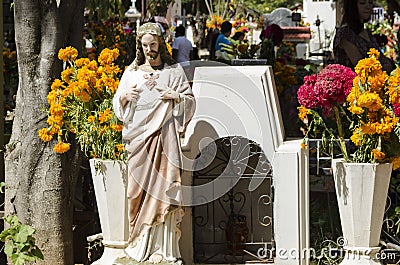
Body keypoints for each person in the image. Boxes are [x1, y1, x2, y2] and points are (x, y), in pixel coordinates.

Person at [112, 22, 196, 263]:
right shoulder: (132, 72)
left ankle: (165, 249)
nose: (149, 49)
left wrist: (177, 96)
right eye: (145, 45)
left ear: (161, 43)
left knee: (165, 188)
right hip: (138, 141)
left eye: (153, 44)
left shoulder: (173, 71)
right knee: (136, 192)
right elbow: (118, 105)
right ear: (140, 46)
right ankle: (139, 243)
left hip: (165, 138)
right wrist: (125, 98)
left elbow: (190, 101)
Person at [333, 0, 395, 73]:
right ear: (353, 6)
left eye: (370, 2)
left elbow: (382, 60)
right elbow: (362, 68)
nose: (368, 6)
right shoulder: (345, 33)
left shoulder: (367, 32)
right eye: (362, 3)